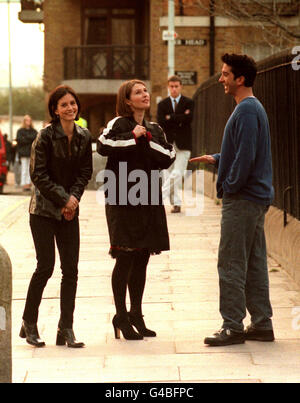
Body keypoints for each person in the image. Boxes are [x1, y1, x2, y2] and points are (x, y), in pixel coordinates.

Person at [190, 53, 274, 346]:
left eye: (226, 74)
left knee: (230, 263)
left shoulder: (247, 110)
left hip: (243, 199)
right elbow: (242, 152)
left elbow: (246, 158)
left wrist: (228, 185)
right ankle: (262, 323)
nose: (221, 79)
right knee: (253, 262)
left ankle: (232, 326)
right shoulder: (249, 109)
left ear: (240, 79)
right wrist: (217, 158)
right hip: (253, 198)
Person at [97, 79, 175, 340]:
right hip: (122, 198)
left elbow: (169, 156)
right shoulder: (118, 123)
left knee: (142, 257)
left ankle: (136, 314)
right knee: (125, 257)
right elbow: (103, 145)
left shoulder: (154, 128)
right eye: (138, 92)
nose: (145, 94)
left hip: (149, 197)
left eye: (146, 90)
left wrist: (147, 137)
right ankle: (120, 314)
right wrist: (132, 136)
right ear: (127, 100)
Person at [20, 85, 93, 348]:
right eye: (64, 105)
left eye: (72, 103)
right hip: (42, 212)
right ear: (55, 110)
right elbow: (38, 175)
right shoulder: (44, 137)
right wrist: (64, 199)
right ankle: (29, 322)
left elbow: (85, 172)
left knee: (71, 270)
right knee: (45, 267)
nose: (70, 108)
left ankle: (66, 328)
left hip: (69, 212)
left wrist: (72, 200)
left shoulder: (85, 136)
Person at [157, 75, 194, 213]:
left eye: (176, 86)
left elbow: (189, 118)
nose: (174, 89)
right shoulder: (162, 104)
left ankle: (159, 198)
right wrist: (180, 117)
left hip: (184, 144)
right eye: (171, 86)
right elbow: (161, 121)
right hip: (168, 144)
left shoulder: (189, 102)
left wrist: (170, 117)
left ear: (181, 87)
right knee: (169, 174)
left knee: (178, 173)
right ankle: (176, 203)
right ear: (168, 87)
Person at [16, 115, 37, 191]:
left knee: (30, 169)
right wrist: (29, 139)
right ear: (24, 121)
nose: (28, 122)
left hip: (31, 153)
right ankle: (24, 184)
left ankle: (28, 183)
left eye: (29, 120)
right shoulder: (20, 131)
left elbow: (35, 139)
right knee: (24, 168)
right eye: (27, 120)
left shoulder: (34, 131)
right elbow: (20, 140)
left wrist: (26, 138)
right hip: (23, 153)